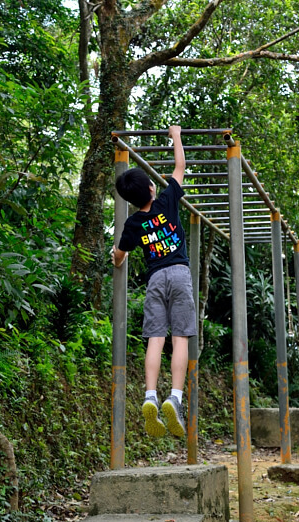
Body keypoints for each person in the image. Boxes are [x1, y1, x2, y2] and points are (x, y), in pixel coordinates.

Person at [111, 125, 196, 439]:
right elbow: (179, 166)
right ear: (150, 188)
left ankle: (150, 396)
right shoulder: (166, 202)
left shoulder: (133, 222)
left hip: (155, 278)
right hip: (180, 274)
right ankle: (174, 396)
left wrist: (115, 257)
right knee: (182, 337)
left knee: (156, 339)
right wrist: (176, 136)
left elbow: (119, 255)